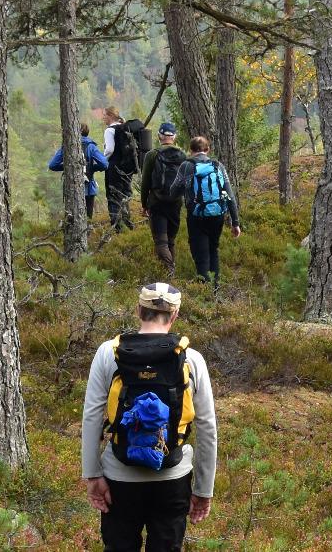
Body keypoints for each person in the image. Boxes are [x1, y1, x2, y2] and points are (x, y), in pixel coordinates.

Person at [81, 283, 218, 552]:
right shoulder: (192, 358)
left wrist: (92, 474)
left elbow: (91, 417)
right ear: (175, 315)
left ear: (138, 310)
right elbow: (207, 428)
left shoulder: (108, 352)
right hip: (173, 479)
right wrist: (203, 489)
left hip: (119, 477)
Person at [171, 136, 241, 285]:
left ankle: (204, 291)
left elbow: (173, 191)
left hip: (196, 216)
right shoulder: (218, 166)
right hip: (217, 215)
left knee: (201, 254)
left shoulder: (186, 166)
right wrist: (235, 222)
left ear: (191, 150)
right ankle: (215, 289)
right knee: (213, 250)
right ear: (207, 149)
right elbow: (229, 195)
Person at [138, 123, 187, 275]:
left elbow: (145, 181)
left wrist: (144, 204)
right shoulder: (183, 155)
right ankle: (169, 274)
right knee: (170, 241)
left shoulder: (152, 154)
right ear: (174, 137)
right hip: (176, 203)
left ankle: (169, 272)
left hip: (157, 202)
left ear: (159, 136)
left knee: (161, 242)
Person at [49, 127, 111, 220]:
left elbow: (52, 165)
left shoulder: (67, 146)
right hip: (88, 188)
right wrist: (92, 168)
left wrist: (68, 168)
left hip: (71, 188)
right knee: (87, 218)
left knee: (72, 218)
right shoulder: (91, 146)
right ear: (87, 133)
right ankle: (87, 234)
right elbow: (104, 164)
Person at [102, 108, 138, 233]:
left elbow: (109, 150)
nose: (103, 118)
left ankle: (117, 228)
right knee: (125, 195)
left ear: (111, 116)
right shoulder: (125, 128)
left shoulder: (109, 130)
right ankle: (127, 224)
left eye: (105, 115)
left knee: (113, 196)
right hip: (127, 168)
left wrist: (103, 161)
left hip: (114, 168)